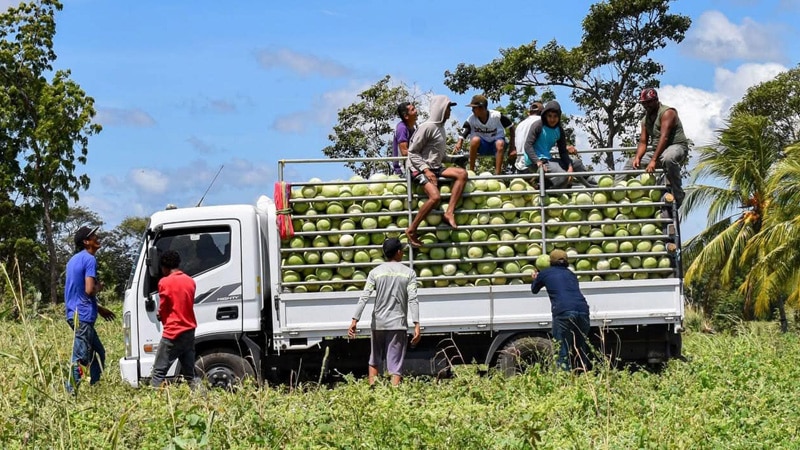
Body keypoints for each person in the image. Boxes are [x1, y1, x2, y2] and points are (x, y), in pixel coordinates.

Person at [348, 238, 421, 386]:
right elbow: (413, 299)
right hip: (397, 324)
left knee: (374, 360)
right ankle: (393, 397)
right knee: (395, 364)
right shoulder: (409, 273)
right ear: (399, 252)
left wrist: (355, 320)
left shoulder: (375, 272)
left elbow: (364, 297)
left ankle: (373, 391)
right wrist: (416, 324)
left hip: (378, 323)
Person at [405, 94, 468, 247]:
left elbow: (436, 155)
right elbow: (412, 153)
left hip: (435, 167)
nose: (450, 112)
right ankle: (412, 229)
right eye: (448, 108)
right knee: (435, 197)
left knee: (462, 174)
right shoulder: (427, 127)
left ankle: (449, 212)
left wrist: (454, 160)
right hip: (417, 168)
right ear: (440, 109)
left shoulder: (440, 129)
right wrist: (425, 170)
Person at [617, 88, 690, 206]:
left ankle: (678, 194)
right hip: (657, 151)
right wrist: (638, 157)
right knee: (630, 164)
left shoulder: (667, 113)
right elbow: (643, 141)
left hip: (675, 147)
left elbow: (664, 137)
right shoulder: (645, 120)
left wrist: (653, 160)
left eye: (649, 102)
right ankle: (615, 191)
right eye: (644, 103)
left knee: (668, 158)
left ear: (656, 100)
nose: (647, 105)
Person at [65, 226, 115, 392]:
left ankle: (95, 386)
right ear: (86, 242)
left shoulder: (73, 260)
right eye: (93, 236)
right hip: (83, 317)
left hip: (76, 313)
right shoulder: (90, 259)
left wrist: (100, 309)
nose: (97, 237)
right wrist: (98, 287)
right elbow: (89, 290)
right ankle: (70, 392)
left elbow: (79, 293)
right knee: (81, 357)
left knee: (98, 353)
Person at [531, 249, 591, 372]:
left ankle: (564, 380)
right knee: (580, 347)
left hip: (564, 311)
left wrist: (535, 278)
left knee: (562, 348)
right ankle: (583, 376)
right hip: (583, 310)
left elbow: (534, 290)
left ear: (550, 262)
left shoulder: (545, 273)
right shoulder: (571, 274)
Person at [515, 101, 595, 189]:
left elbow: (563, 152)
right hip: (534, 161)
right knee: (562, 176)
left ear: (559, 117)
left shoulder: (559, 130)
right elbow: (527, 146)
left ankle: (596, 188)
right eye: (549, 116)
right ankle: (543, 187)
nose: (552, 119)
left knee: (576, 163)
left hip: (548, 159)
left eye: (555, 116)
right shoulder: (538, 125)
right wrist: (537, 162)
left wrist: (570, 167)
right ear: (545, 115)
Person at [150, 250, 198, 388]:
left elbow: (164, 306)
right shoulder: (190, 281)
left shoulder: (164, 282)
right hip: (189, 330)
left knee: (158, 372)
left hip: (173, 332)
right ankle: (203, 399)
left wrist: (160, 315)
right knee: (190, 374)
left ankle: (154, 403)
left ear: (164, 266)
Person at [454, 94, 516, 175]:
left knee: (500, 143)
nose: (472, 110)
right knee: (475, 140)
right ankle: (471, 172)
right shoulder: (471, 119)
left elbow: (511, 127)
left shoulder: (496, 116)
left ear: (482, 107)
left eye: (474, 108)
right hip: (483, 146)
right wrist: (459, 142)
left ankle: (498, 175)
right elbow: (464, 130)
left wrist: (512, 147)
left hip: (497, 146)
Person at [391, 102, 418, 175]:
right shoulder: (402, 128)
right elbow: (404, 152)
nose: (416, 111)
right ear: (406, 116)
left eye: (414, 108)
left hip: (411, 168)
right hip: (402, 170)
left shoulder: (414, 128)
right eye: (412, 110)